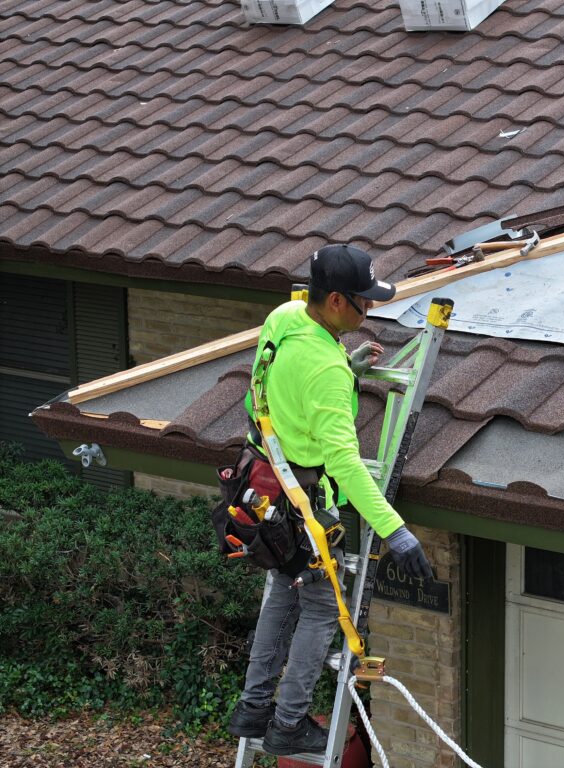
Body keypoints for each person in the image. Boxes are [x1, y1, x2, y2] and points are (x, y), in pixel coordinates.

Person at [227, 244, 434, 756]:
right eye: (365, 301)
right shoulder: (326, 372)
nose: (371, 309)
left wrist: (346, 362)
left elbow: (290, 378)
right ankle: (288, 722)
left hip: (264, 486)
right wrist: (395, 530)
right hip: (304, 503)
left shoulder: (285, 316)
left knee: (282, 592)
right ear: (338, 300)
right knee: (321, 607)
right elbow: (344, 463)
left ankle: (253, 707)